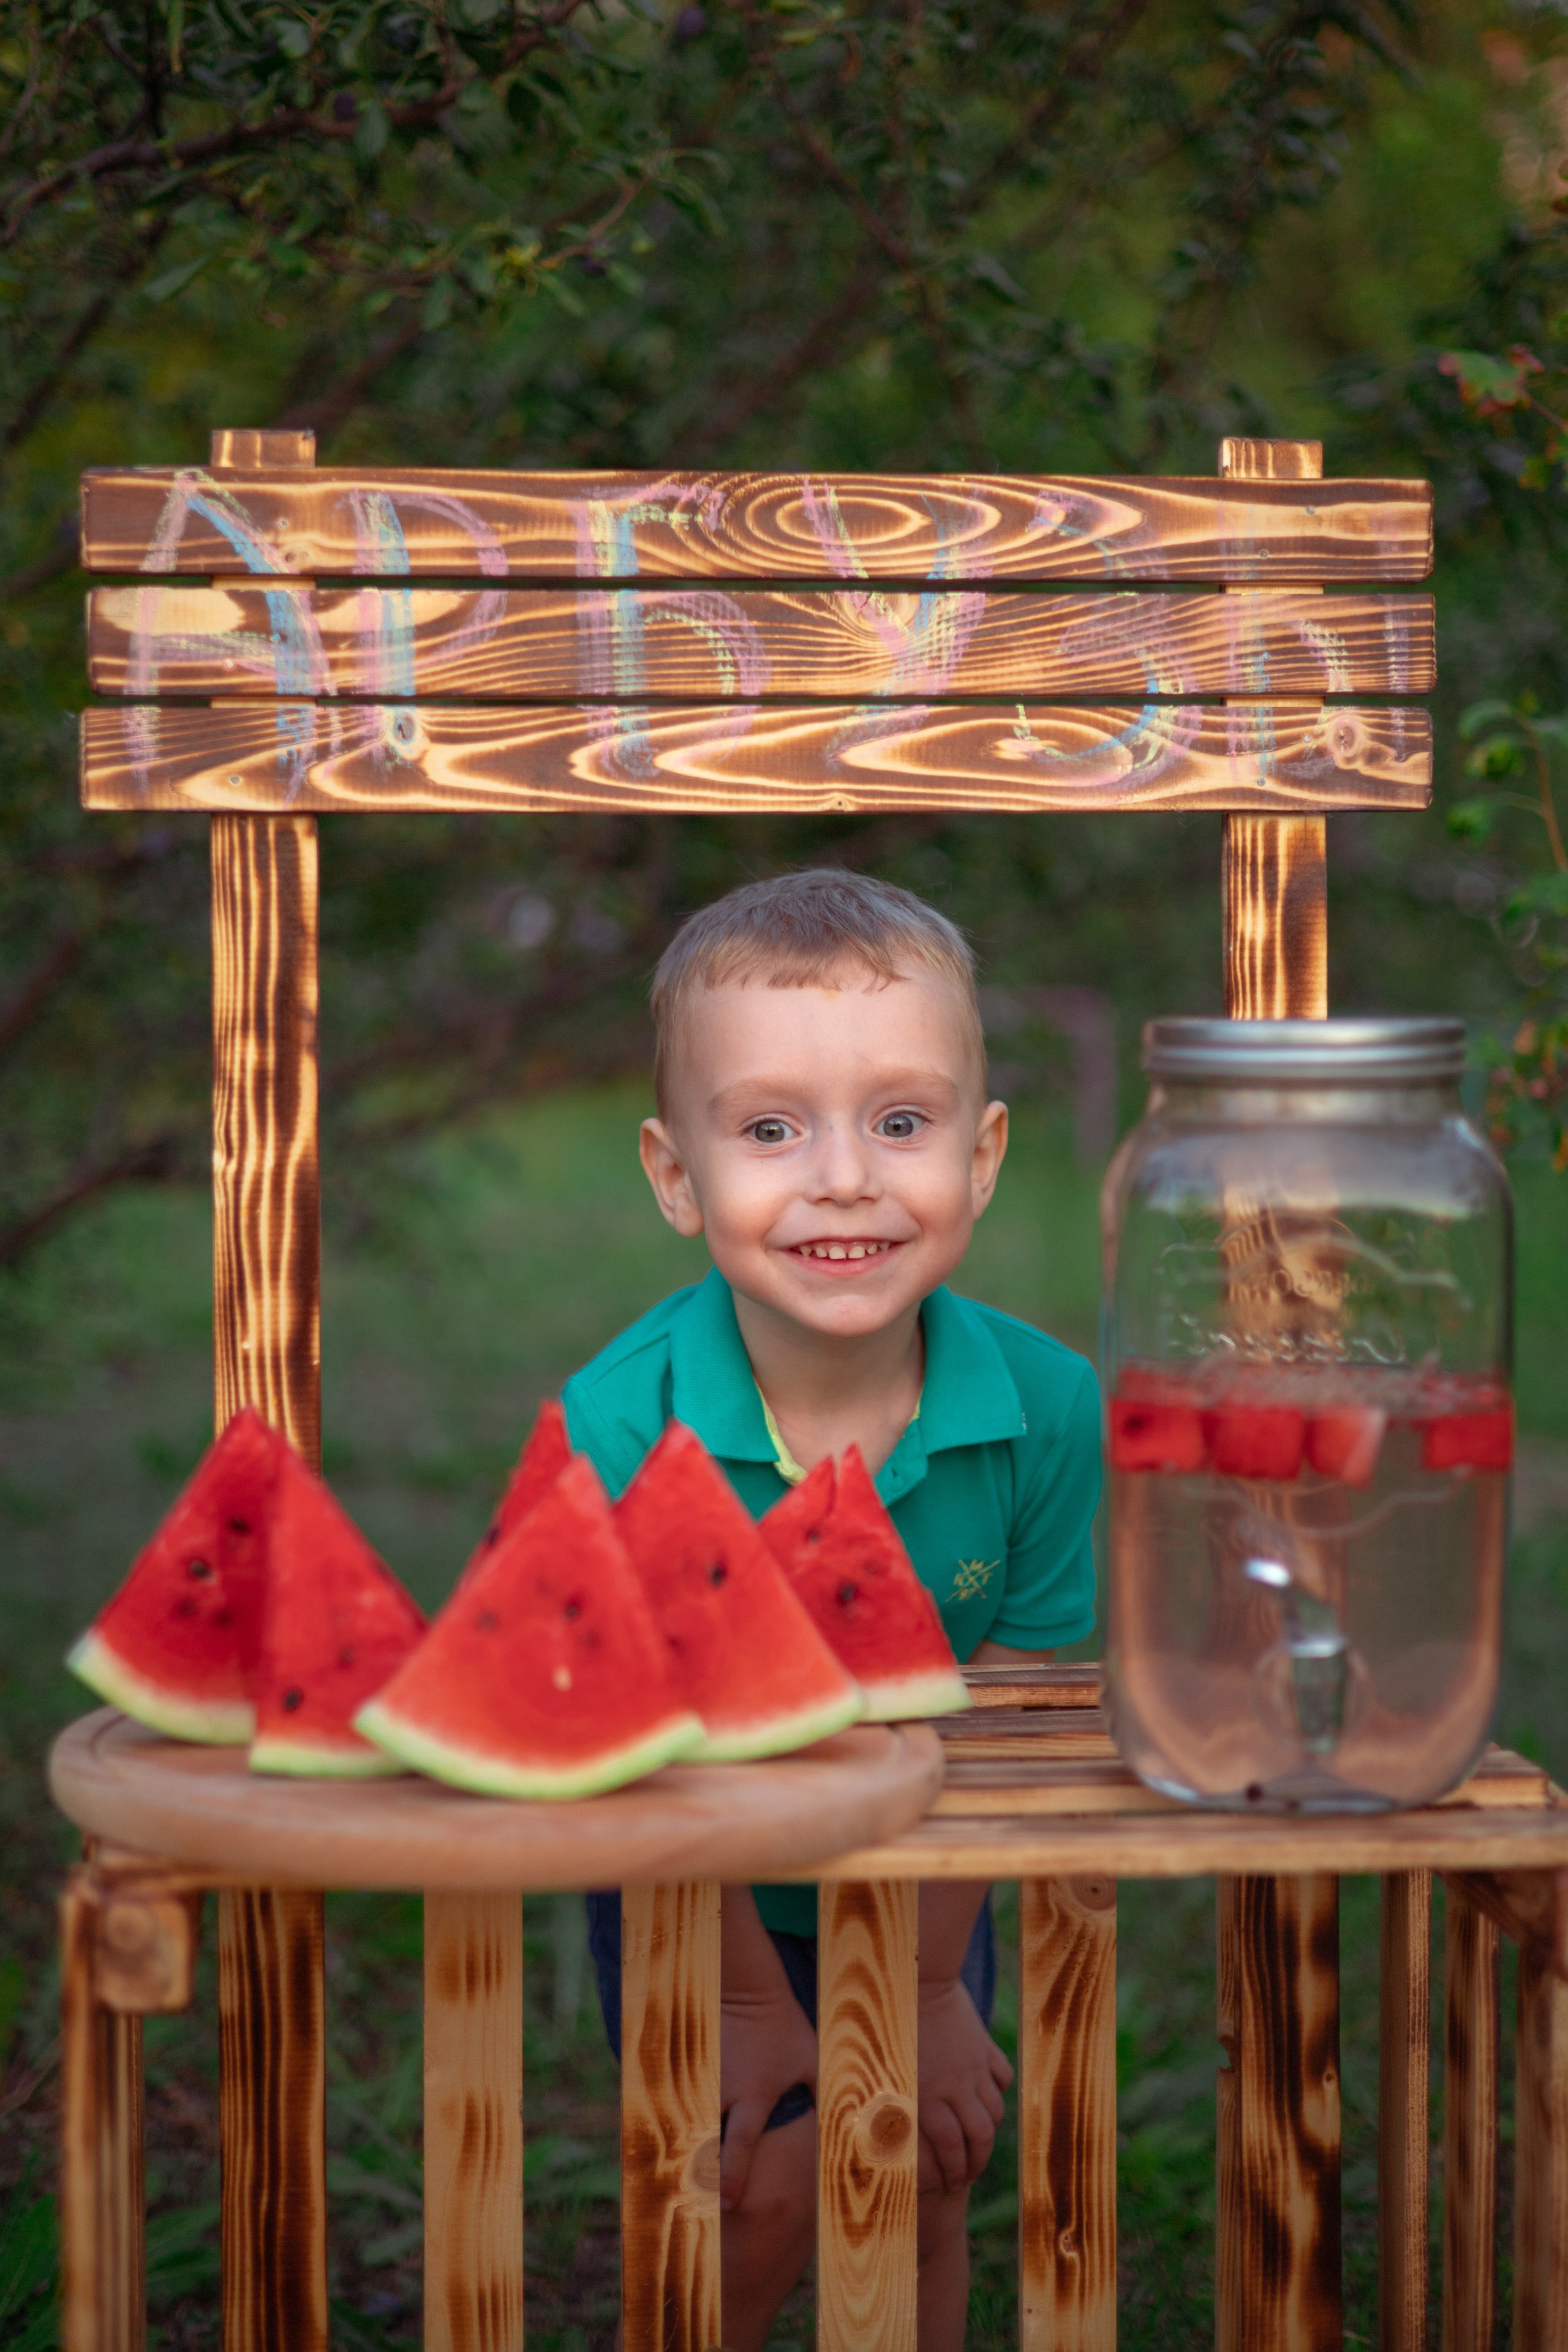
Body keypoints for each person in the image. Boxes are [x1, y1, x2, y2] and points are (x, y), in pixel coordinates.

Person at [562, 868, 1100, 2352]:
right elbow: (626, 1743)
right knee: (751, 2194)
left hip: (933, 1868)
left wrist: (923, 1987)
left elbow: (1020, 1704)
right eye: (770, 1129)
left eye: (903, 1122)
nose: (845, 1177)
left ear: (982, 1158)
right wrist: (746, 2007)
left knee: (917, 2183)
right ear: (678, 1178)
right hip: (685, 1873)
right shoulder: (618, 1427)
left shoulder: (1051, 1410)